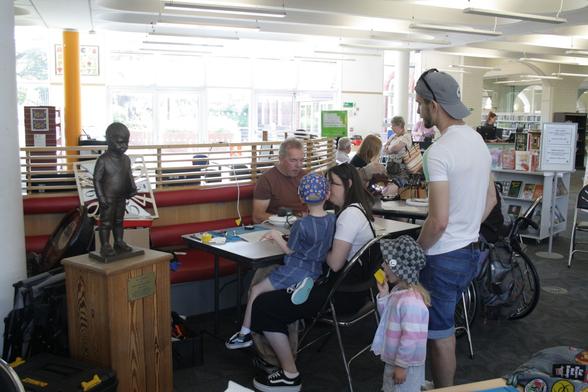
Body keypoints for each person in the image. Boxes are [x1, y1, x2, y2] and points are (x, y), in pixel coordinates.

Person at [249, 163, 376, 391]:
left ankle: (289, 374)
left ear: (347, 185)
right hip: (357, 289)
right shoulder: (356, 210)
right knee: (280, 291)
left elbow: (335, 262)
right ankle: (280, 357)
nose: (328, 189)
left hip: (341, 294)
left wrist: (313, 247)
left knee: (263, 304)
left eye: (332, 184)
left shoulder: (348, 217)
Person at [414, 69, 497, 388]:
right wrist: (466, 228)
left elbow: (438, 221)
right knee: (443, 327)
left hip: (442, 257)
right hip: (469, 252)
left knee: (439, 335)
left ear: (434, 105)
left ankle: (444, 388)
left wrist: (417, 250)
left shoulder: (438, 152)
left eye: (421, 103)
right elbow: (490, 199)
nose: (420, 110)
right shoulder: (477, 141)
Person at [225, 173, 336, 350]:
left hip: (296, 268)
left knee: (256, 290)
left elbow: (290, 250)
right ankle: (297, 286)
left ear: (301, 197)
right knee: (277, 289)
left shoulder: (301, 224)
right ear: (328, 195)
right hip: (315, 269)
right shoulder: (332, 219)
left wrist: (276, 236)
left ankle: (244, 334)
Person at [372, 235, 430, 392]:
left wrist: (401, 366)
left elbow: (410, 338)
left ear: (398, 268)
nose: (383, 265)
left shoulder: (411, 302)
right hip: (395, 360)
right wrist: (384, 295)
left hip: (405, 365)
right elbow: (389, 320)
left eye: (387, 262)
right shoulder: (399, 292)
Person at [93, 122, 138, 258]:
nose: (124, 146)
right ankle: (105, 245)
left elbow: (128, 175)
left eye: (126, 142)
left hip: (121, 196)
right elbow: (97, 180)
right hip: (108, 197)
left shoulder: (126, 159)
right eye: (120, 142)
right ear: (109, 141)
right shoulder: (103, 160)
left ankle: (119, 241)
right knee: (106, 222)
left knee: (119, 221)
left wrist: (132, 187)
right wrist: (101, 198)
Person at [252, 137, 307, 223]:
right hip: (280, 228)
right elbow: (258, 217)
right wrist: (293, 220)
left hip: (305, 225)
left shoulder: (305, 176)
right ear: (280, 159)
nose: (299, 165)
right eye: (293, 160)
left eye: (301, 160)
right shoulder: (267, 179)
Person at [383, 116, 414, 194]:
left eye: (393, 125)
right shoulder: (393, 136)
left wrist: (390, 149)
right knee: (389, 186)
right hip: (390, 165)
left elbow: (396, 148)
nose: (392, 127)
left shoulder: (406, 136)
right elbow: (385, 148)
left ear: (399, 125)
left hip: (401, 167)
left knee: (399, 187)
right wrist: (391, 149)